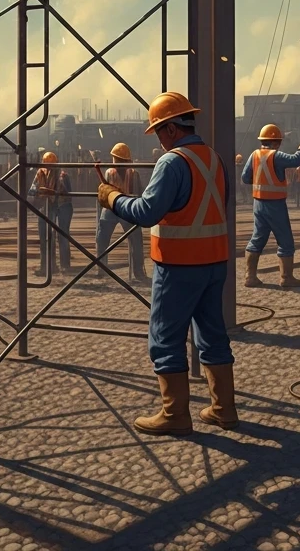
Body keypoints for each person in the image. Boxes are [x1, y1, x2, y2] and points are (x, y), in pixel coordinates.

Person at [97, 92, 236, 434]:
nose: (158, 140)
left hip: (179, 264)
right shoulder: (215, 159)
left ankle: (175, 415)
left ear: (172, 129)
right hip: (214, 261)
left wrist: (113, 198)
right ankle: (224, 409)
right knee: (212, 334)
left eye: (158, 131)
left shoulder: (172, 162)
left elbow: (147, 212)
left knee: (165, 338)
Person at [241, 124, 300, 288]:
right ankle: (286, 277)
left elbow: (245, 178)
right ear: (276, 142)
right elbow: (297, 159)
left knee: (257, 239)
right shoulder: (276, 156)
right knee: (285, 241)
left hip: (258, 204)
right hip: (275, 204)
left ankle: (250, 276)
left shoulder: (254, 155)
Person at [95, 142, 146, 282]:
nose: (117, 163)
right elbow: (105, 187)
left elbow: (139, 192)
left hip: (126, 209)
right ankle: (101, 268)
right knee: (102, 238)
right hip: (111, 209)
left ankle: (138, 271)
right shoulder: (110, 173)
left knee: (136, 239)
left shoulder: (133, 174)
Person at [29, 151, 74, 276]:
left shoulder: (62, 175)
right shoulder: (40, 174)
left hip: (63, 205)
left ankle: (65, 265)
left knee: (62, 235)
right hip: (47, 204)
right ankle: (47, 266)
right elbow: (32, 191)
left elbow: (68, 194)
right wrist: (38, 195)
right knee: (45, 235)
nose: (48, 168)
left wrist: (54, 192)